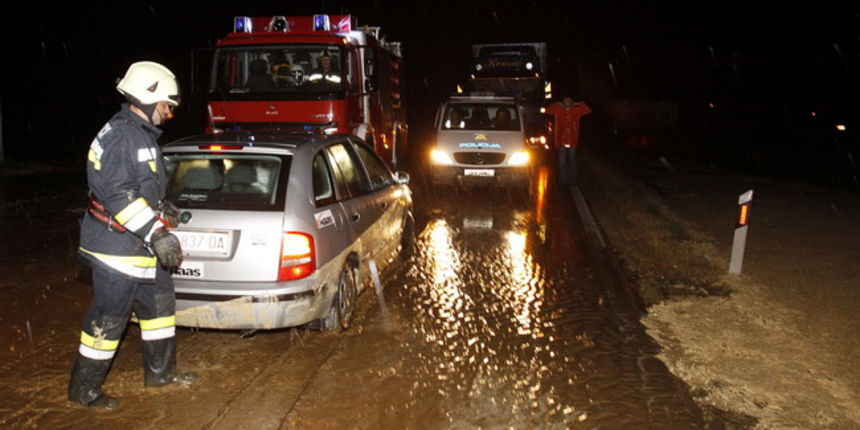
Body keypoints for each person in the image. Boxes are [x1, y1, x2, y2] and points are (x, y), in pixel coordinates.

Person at [69, 61, 197, 410]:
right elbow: (117, 195)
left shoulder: (137, 134)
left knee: (159, 305)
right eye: (167, 106)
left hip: (138, 243)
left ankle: (161, 374)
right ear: (147, 97)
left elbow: (137, 186)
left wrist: (162, 205)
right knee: (109, 318)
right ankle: (84, 390)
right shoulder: (123, 137)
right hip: (116, 248)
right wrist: (157, 232)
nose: (168, 113)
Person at [546, 96, 591, 184]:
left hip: (572, 139)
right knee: (561, 161)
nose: (567, 102)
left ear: (572, 101)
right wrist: (556, 104)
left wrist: (579, 103)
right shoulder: (558, 109)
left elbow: (588, 110)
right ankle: (562, 180)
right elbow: (548, 110)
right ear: (563, 101)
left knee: (572, 160)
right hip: (561, 140)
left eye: (569, 100)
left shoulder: (577, 110)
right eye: (565, 100)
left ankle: (572, 180)